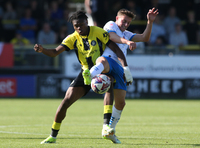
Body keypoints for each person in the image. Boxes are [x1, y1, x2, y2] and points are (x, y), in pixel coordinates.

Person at [34, 10, 131, 144]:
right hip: (85, 72)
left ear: (87, 22)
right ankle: (53, 135)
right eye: (76, 26)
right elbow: (55, 52)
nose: (79, 28)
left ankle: (106, 129)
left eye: (81, 24)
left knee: (109, 84)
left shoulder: (97, 32)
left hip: (103, 68)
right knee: (66, 101)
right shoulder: (72, 38)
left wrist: (125, 67)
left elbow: (115, 48)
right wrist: (42, 50)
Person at [97, 8, 158, 143]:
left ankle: (109, 130)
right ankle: (91, 74)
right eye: (124, 21)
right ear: (117, 18)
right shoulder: (110, 25)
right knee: (104, 69)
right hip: (108, 61)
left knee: (121, 103)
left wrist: (150, 22)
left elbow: (144, 37)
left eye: (128, 23)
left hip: (120, 68)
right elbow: (112, 37)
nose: (125, 25)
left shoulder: (126, 33)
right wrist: (127, 42)